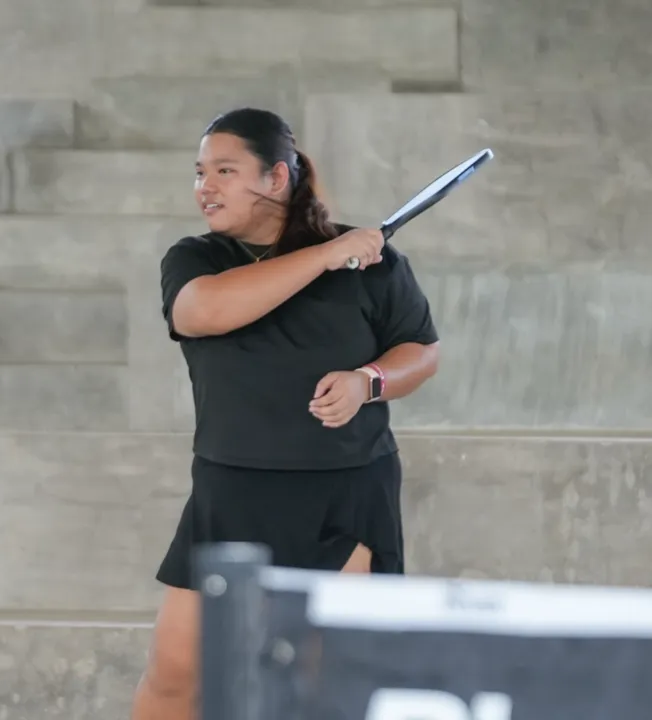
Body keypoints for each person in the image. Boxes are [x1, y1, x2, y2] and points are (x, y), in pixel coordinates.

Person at [131, 107, 440, 720]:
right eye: (199, 172)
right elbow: (202, 312)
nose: (205, 186)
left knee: (329, 683)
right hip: (231, 494)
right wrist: (325, 256)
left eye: (224, 170)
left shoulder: (371, 264)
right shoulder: (196, 259)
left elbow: (421, 351)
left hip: (345, 496)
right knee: (175, 677)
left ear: (276, 178)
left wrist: (368, 381)